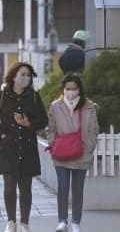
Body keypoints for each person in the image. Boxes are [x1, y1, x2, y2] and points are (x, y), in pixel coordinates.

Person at [0, 62, 48, 232]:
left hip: (27, 148)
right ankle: (11, 221)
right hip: (8, 148)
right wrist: (0, 135)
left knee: (26, 186)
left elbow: (43, 120)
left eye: (28, 74)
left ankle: (24, 223)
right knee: (9, 184)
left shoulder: (34, 97)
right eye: (23, 74)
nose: (26, 77)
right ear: (13, 76)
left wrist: (29, 123)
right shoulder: (3, 96)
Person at [47, 73, 99, 232]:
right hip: (61, 155)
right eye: (67, 88)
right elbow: (51, 129)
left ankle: (76, 222)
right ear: (63, 89)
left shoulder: (89, 106)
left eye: (73, 88)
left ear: (79, 89)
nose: (70, 92)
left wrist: (88, 147)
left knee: (77, 190)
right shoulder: (56, 106)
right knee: (62, 188)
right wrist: (53, 144)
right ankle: (62, 221)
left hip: (81, 155)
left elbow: (94, 129)